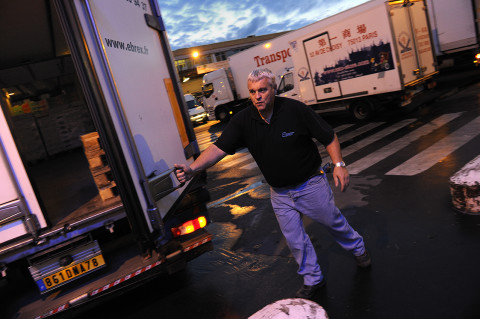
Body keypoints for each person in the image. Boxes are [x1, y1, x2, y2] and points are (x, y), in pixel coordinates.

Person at [174, 68, 371, 299]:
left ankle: (358, 248)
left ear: (273, 89)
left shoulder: (294, 110)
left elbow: (329, 136)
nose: (257, 96)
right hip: (280, 194)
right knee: (295, 239)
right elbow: (218, 148)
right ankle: (313, 278)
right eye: (253, 91)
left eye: (263, 90)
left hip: (310, 184)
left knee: (333, 222)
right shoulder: (244, 120)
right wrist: (192, 169)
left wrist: (339, 165)